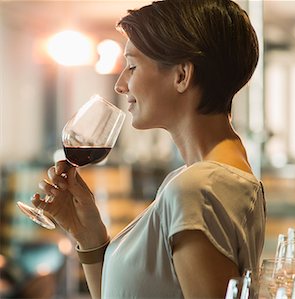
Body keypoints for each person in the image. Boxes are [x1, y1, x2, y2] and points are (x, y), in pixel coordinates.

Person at [32, 0, 266, 298]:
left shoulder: (198, 187)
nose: (120, 84)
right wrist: (87, 234)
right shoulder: (197, 178)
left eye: (131, 66)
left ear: (181, 75)